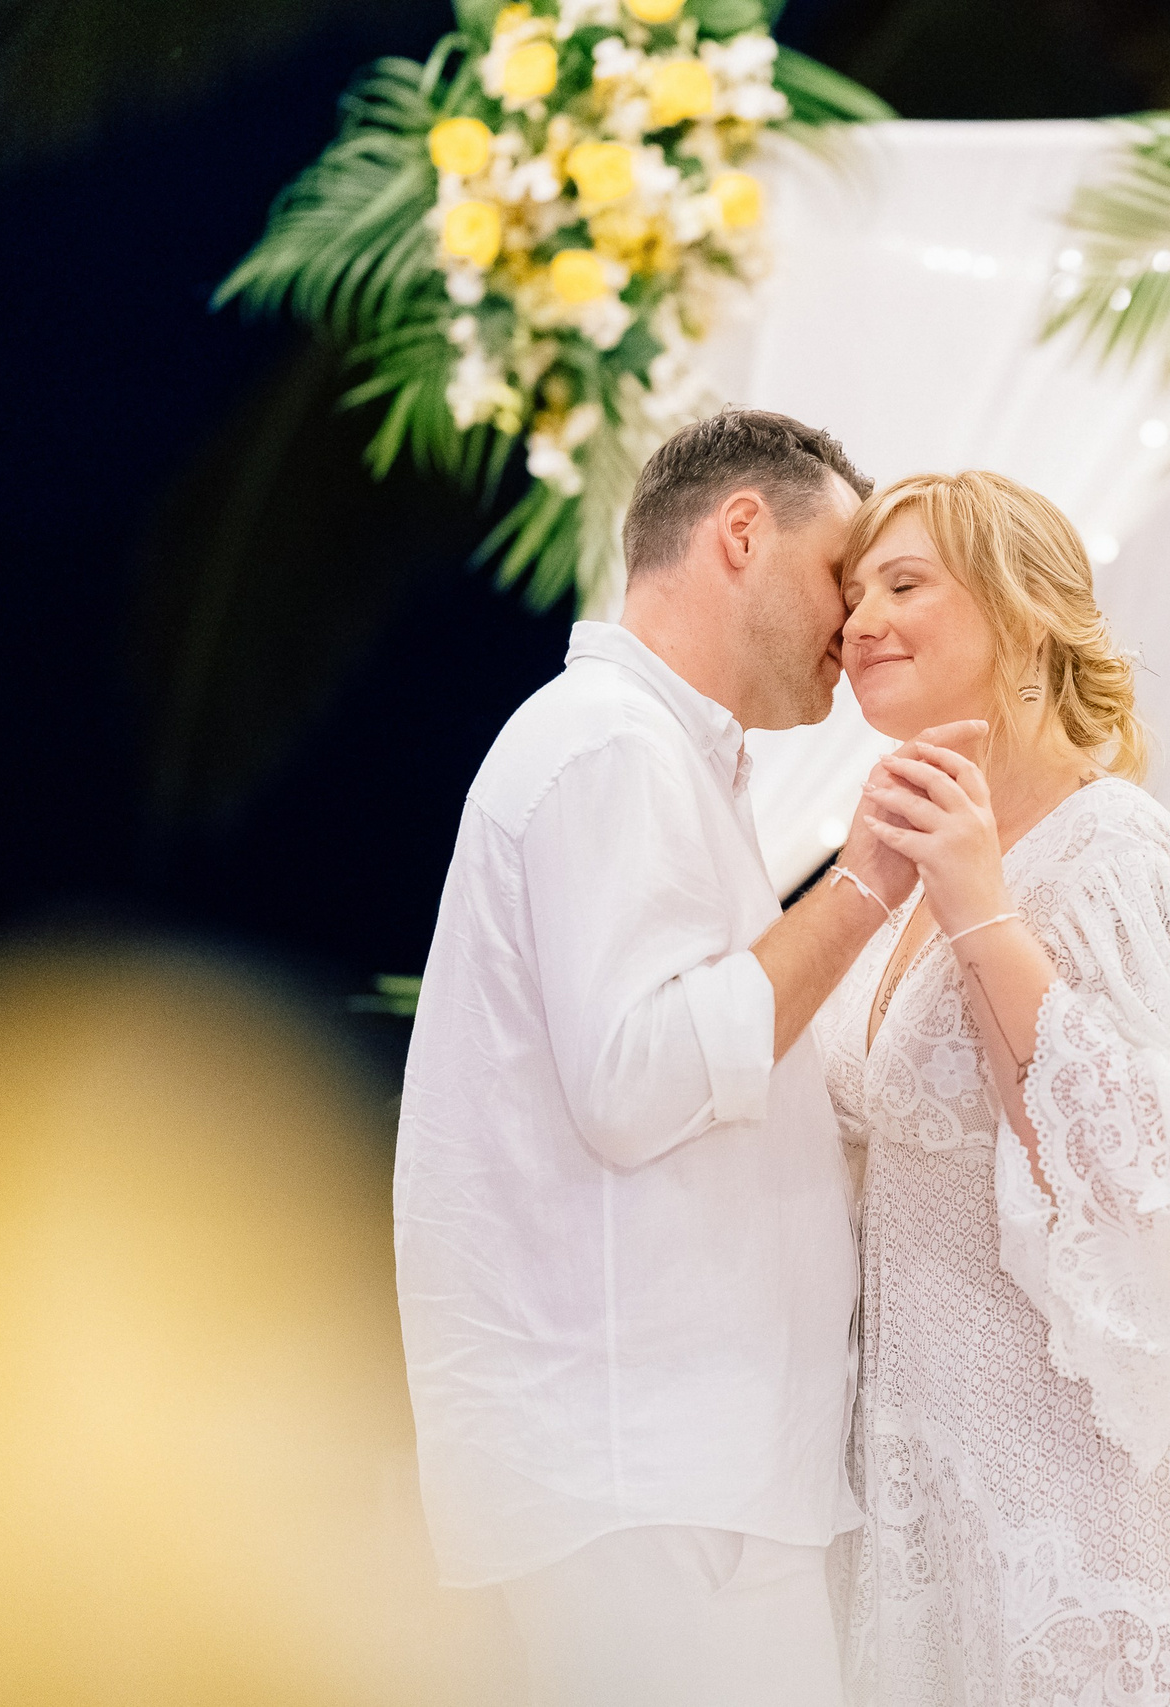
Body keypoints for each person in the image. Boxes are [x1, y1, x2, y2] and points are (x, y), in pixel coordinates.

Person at [394, 411, 958, 1707]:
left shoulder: (651, 754)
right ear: (741, 532)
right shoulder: (608, 745)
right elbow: (638, 1077)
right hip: (646, 1472)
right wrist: (866, 883)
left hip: (679, 1472)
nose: (855, 613)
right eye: (841, 572)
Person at [817, 471, 1170, 1703]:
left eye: (904, 584)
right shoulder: (906, 845)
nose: (860, 624)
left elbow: (1143, 1178)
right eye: (850, 598)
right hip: (942, 1453)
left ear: (1021, 616)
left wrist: (978, 911)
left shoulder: (1112, 854)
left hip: (1101, 1468)